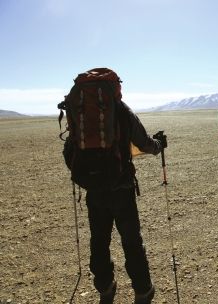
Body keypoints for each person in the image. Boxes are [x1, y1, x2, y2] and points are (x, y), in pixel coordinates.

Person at [61, 68, 162, 304]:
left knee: (99, 239)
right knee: (131, 240)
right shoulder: (121, 109)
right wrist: (159, 145)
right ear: (115, 86)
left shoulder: (79, 111)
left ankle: (105, 287)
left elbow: (70, 147)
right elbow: (144, 143)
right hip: (121, 188)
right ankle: (142, 290)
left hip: (93, 189)